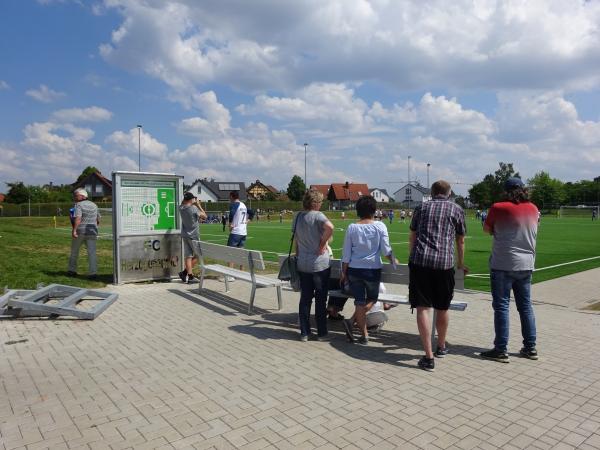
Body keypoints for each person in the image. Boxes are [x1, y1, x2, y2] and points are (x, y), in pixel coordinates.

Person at [409, 180, 467, 372]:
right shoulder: (456, 209)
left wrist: (412, 257)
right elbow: (460, 240)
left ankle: (428, 356)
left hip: (421, 262)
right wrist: (460, 263)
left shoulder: (421, 207)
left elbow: (413, 236)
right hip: (444, 264)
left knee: (423, 308)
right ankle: (441, 346)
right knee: (442, 307)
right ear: (449, 193)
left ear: (432, 193)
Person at [481, 178, 539, 363]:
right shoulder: (533, 208)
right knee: (525, 307)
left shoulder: (498, 207)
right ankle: (530, 347)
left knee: (502, 307)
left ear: (506, 191)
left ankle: (500, 349)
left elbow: (486, 230)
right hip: (526, 264)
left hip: (503, 264)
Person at [340, 195, 396, 346]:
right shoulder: (380, 226)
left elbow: (346, 254)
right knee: (373, 299)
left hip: (354, 270)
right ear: (374, 210)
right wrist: (393, 260)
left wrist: (343, 273)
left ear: (358, 210)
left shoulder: (352, 227)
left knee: (359, 301)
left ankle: (363, 334)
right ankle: (352, 323)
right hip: (372, 270)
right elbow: (386, 250)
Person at [294, 190, 335, 341]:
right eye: (321, 202)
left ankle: (304, 332)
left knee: (305, 299)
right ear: (316, 203)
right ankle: (322, 333)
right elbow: (330, 227)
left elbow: (296, 240)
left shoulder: (298, 216)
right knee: (320, 299)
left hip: (303, 263)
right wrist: (322, 244)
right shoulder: (318, 215)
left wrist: (298, 255)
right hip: (319, 264)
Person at [67, 188, 101, 280]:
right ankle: (93, 273)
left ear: (82, 196)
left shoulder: (78, 205)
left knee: (74, 252)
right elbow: (98, 219)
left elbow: (78, 218)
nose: (74, 197)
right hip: (92, 232)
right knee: (92, 253)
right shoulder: (94, 205)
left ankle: (72, 270)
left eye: (76, 195)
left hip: (80, 232)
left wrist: (74, 230)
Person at [178, 192, 207, 283]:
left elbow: (183, 203)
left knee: (188, 256)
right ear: (191, 200)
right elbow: (205, 216)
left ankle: (189, 276)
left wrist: (188, 199)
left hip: (185, 234)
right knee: (199, 255)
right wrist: (198, 205)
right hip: (193, 235)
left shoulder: (181, 208)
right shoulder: (193, 208)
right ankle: (186, 273)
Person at [226, 191, 248, 278]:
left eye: (229, 197)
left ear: (232, 196)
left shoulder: (235, 204)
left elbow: (232, 213)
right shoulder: (243, 205)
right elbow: (250, 213)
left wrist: (230, 223)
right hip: (243, 232)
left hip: (236, 232)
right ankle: (241, 273)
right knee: (241, 253)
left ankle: (230, 275)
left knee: (230, 253)